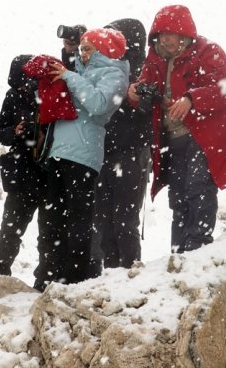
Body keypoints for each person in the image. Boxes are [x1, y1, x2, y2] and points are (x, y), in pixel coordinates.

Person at [128, 5, 226, 253]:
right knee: (177, 195)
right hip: (173, 136)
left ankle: (198, 245)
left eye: (170, 33)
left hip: (205, 134)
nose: (165, 39)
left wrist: (191, 99)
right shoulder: (154, 58)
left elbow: (222, 89)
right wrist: (134, 92)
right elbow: (143, 86)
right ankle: (179, 250)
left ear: (184, 33)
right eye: (160, 34)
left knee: (198, 187)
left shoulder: (208, 52)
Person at [32, 28, 130, 290]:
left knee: (78, 219)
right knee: (52, 218)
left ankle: (75, 278)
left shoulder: (115, 74)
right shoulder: (79, 70)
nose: (81, 53)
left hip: (84, 156)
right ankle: (50, 276)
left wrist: (70, 77)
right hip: (58, 152)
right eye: (81, 48)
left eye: (88, 48)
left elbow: (98, 104)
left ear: (105, 51)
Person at [91, 18, 153, 271]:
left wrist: (135, 98)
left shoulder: (146, 71)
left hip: (131, 153)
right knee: (105, 219)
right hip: (108, 151)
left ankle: (127, 271)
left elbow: (148, 111)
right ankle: (117, 274)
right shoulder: (109, 69)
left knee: (124, 220)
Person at [0, 54, 47, 287]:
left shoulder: (51, 93)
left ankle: (45, 281)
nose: (25, 86)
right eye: (21, 81)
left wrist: (45, 133)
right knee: (10, 231)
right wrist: (16, 130)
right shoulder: (13, 96)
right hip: (22, 173)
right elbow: (0, 132)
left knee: (48, 234)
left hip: (48, 170)